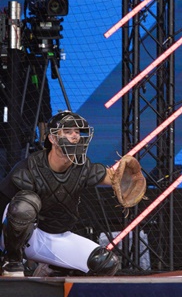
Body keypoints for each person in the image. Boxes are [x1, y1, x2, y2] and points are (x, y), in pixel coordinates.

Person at [0, 111, 120, 277]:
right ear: (52, 138)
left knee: (106, 263)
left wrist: (128, 178)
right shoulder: (29, 167)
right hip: (14, 236)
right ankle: (11, 262)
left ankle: (51, 268)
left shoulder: (83, 168)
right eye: (68, 131)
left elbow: (114, 178)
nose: (75, 136)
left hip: (51, 237)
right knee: (25, 204)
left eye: (77, 132)